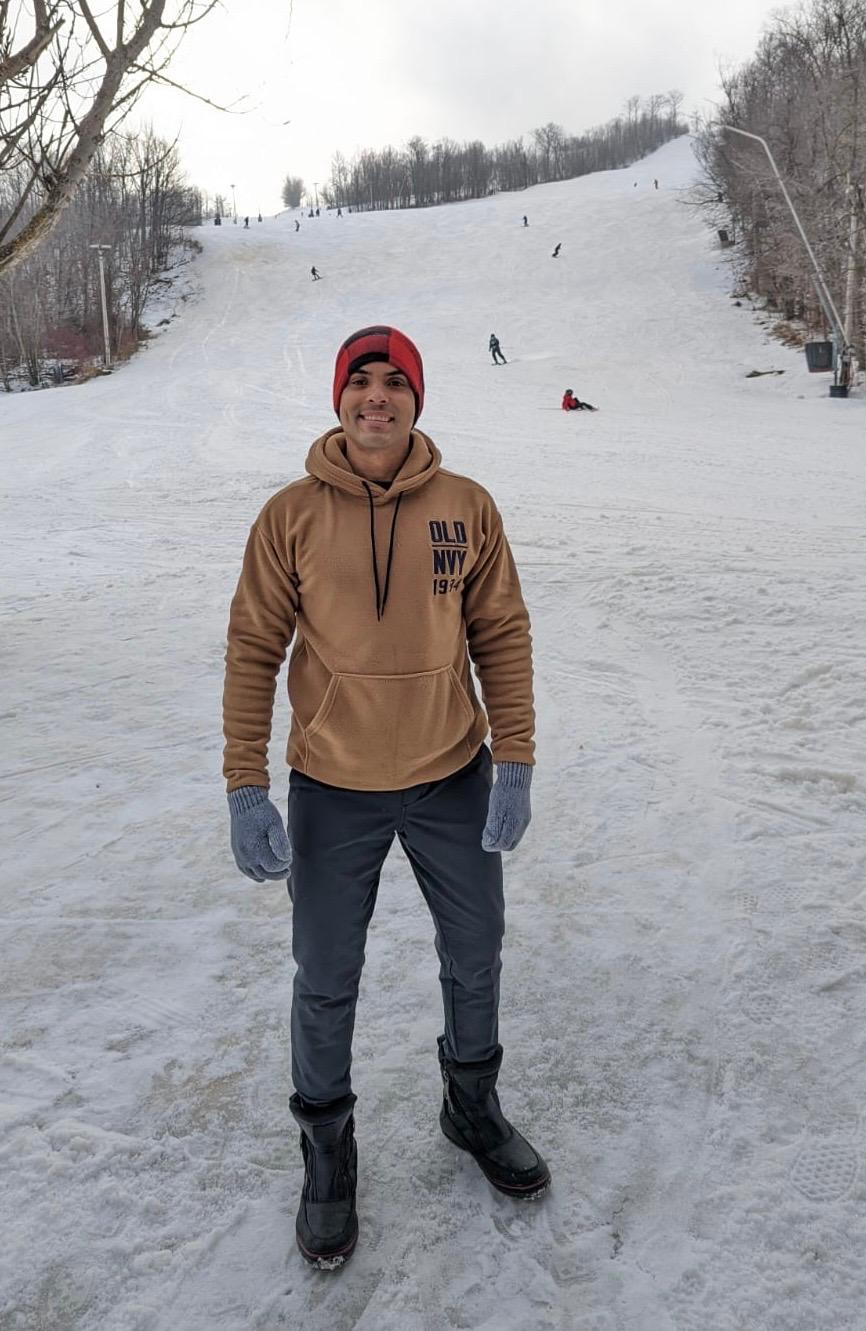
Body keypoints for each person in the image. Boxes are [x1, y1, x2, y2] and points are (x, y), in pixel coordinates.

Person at [223, 325, 550, 1270]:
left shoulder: (467, 506)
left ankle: (471, 1104)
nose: (378, 395)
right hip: (333, 787)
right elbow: (253, 646)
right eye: (361, 380)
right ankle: (327, 1145)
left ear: (417, 399)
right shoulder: (289, 515)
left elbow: (502, 632)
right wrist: (246, 783)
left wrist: (515, 758)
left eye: (396, 381)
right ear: (339, 399)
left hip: (453, 775)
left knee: (476, 952)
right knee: (326, 974)